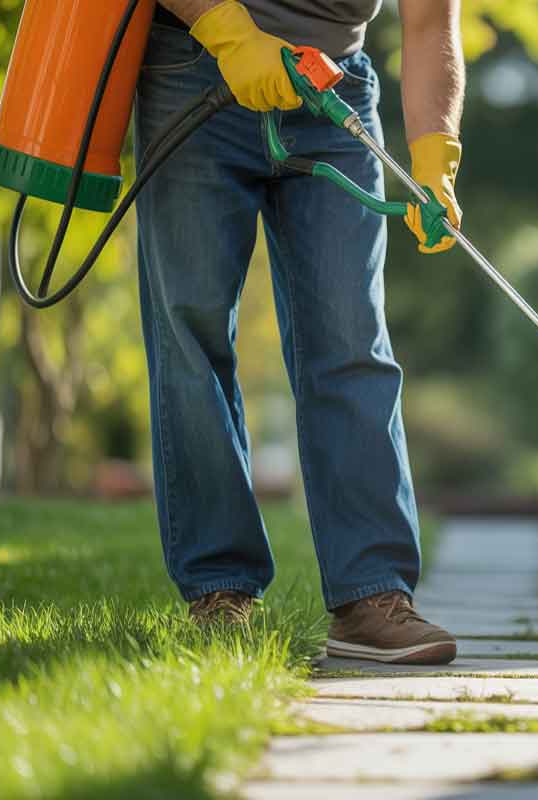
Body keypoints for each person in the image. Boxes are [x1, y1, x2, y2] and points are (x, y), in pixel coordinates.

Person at [140, 0, 462, 665]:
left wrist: (436, 162)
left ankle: (372, 596)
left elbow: (431, 24)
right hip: (194, 71)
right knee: (191, 332)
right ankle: (218, 591)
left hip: (333, 88)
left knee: (351, 341)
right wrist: (229, 34)